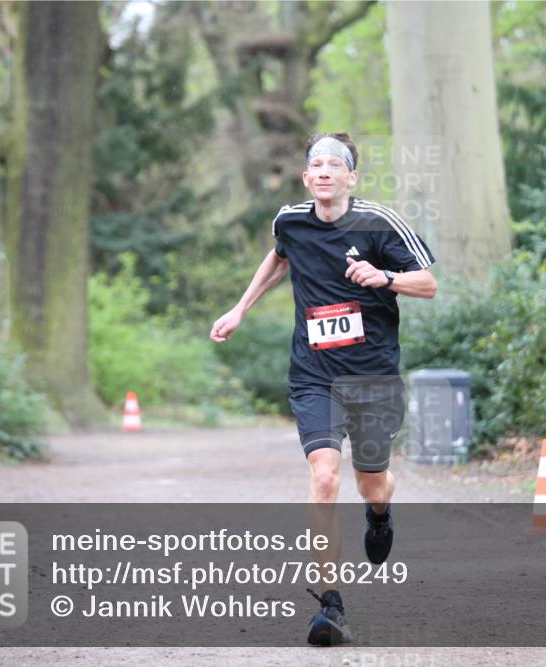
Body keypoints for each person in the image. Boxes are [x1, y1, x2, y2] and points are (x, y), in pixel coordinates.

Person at [210, 132, 437, 645]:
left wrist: (385, 277)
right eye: (317, 165)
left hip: (373, 376)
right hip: (315, 375)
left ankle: (379, 514)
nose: (326, 171)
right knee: (324, 476)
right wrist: (240, 309)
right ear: (306, 177)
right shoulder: (291, 221)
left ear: (351, 177)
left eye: (336, 165)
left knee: (371, 484)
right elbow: (279, 257)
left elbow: (428, 283)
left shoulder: (379, 222)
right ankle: (330, 604)